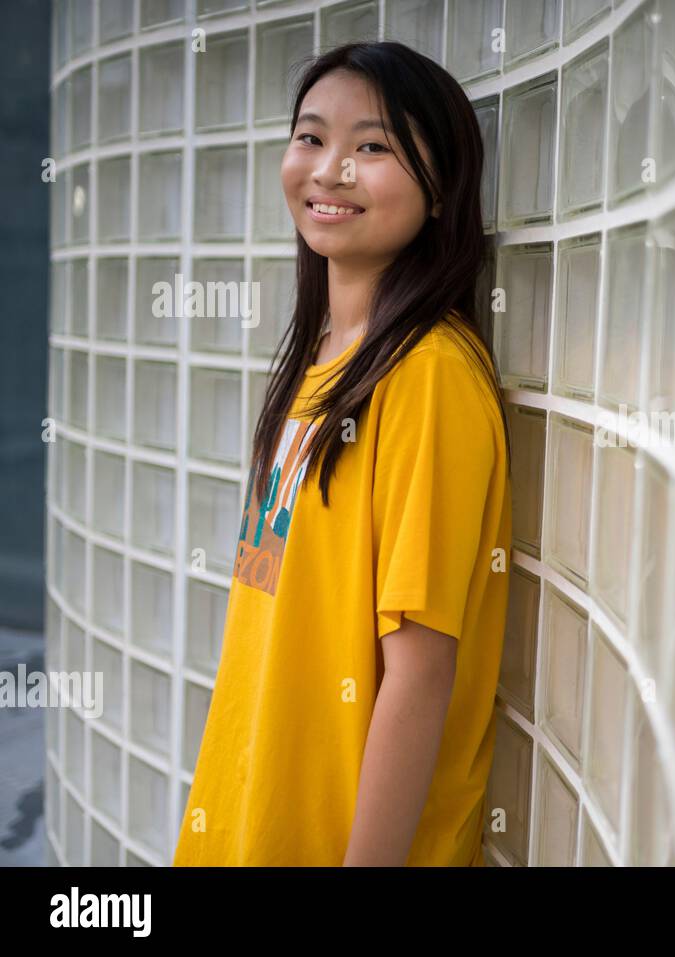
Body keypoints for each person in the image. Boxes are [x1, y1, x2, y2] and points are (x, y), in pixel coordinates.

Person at [172, 41, 512, 866]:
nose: (330, 171)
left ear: (442, 192)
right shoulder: (320, 362)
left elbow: (420, 675)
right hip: (251, 822)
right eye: (312, 137)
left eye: (373, 147)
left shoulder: (428, 376)